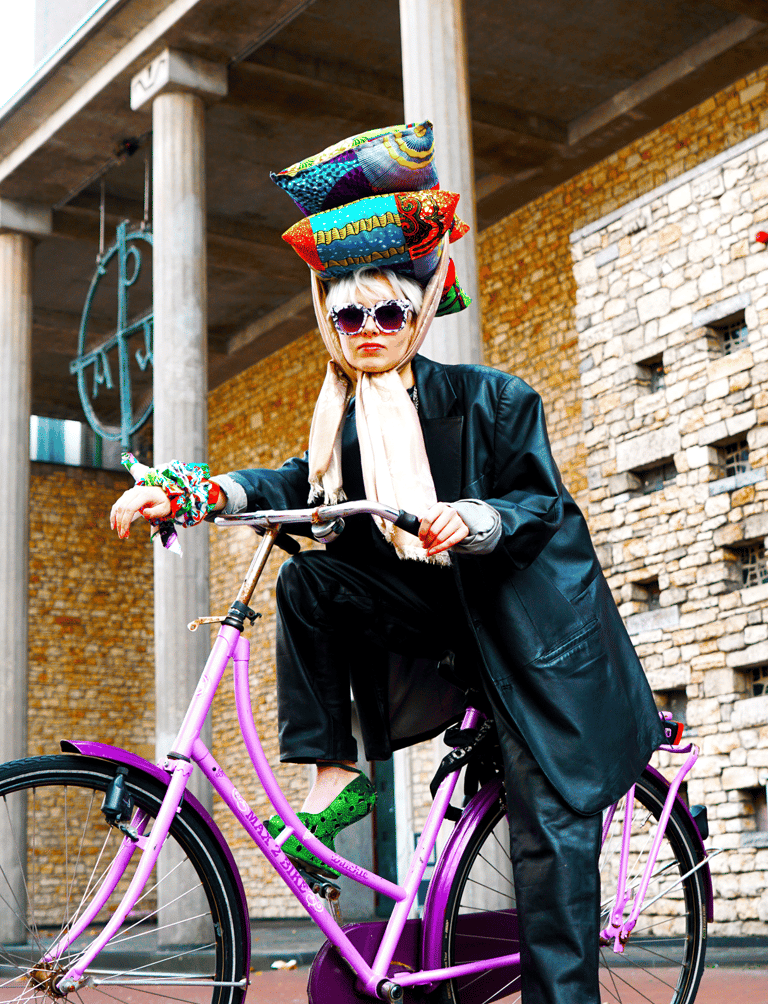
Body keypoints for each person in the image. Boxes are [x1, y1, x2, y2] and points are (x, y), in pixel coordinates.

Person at [110, 125, 665, 1004]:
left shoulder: (494, 399)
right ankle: (337, 782)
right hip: (440, 628)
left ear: (419, 311)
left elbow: (545, 509)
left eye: (388, 312)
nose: (367, 329)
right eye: (347, 315)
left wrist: (470, 515)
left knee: (547, 837)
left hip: (529, 646)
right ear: (326, 322)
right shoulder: (346, 422)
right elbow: (295, 484)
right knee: (309, 577)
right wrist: (191, 492)